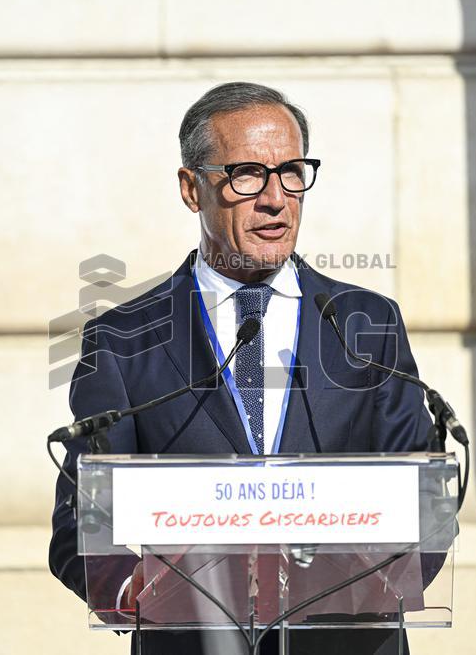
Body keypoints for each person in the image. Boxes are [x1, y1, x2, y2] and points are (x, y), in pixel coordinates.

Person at [49, 82, 432, 654]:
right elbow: (80, 524)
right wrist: (139, 592)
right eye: (247, 174)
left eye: (292, 173)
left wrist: (368, 586)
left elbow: (424, 497)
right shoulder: (123, 339)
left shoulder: (366, 323)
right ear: (192, 188)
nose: (276, 198)